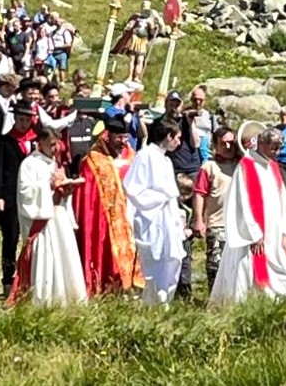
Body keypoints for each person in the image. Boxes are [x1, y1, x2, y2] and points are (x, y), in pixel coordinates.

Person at [209, 126, 286, 305]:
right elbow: (241, 202)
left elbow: (282, 201)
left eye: (279, 147)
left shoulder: (273, 167)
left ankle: (275, 304)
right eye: (274, 147)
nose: (277, 152)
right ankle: (244, 308)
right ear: (261, 143)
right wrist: (253, 233)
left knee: (282, 274)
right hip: (252, 236)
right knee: (246, 271)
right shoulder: (246, 166)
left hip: (273, 234)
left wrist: (283, 233)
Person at [7, 128, 87, 307]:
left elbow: (59, 188)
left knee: (64, 254)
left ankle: (67, 296)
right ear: (40, 142)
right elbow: (25, 192)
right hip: (42, 221)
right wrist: (48, 185)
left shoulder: (54, 163)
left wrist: (66, 191)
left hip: (58, 215)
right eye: (52, 144)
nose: (56, 148)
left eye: (57, 144)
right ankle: (45, 298)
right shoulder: (30, 164)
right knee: (46, 256)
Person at [72, 117, 143, 297]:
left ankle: (130, 287)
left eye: (126, 138)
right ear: (108, 136)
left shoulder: (131, 156)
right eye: (119, 138)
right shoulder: (94, 160)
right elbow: (87, 195)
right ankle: (106, 285)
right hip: (105, 218)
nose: (123, 143)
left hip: (130, 216)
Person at [123, 119, 187, 307]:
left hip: (168, 218)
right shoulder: (145, 156)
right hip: (153, 219)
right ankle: (155, 303)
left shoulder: (165, 159)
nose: (179, 143)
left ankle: (164, 300)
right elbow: (133, 189)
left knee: (171, 259)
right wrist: (161, 196)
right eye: (177, 138)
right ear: (168, 136)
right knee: (155, 261)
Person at [0, 102, 38, 297]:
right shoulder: (4, 141)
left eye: (27, 120)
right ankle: (7, 279)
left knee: (32, 238)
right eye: (21, 119)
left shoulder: (36, 141)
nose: (24, 123)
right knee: (11, 238)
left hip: (31, 197)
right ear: (15, 119)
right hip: (10, 197)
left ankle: (29, 279)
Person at [155, 90, 201, 298]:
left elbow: (196, 144)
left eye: (178, 103)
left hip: (191, 171)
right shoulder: (160, 123)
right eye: (172, 102)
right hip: (171, 172)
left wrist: (190, 123)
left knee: (189, 220)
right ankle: (172, 283)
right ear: (166, 103)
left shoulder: (186, 121)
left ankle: (185, 283)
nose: (175, 106)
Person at [192, 126, 239, 291]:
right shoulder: (208, 167)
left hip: (238, 225)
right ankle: (214, 299)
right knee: (216, 264)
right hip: (217, 223)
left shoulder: (242, 165)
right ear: (216, 145)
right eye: (223, 143)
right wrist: (199, 220)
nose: (228, 147)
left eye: (231, 143)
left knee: (236, 266)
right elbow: (199, 194)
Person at [188, 86, 215, 162]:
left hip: (206, 152)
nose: (198, 102)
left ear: (205, 101)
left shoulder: (209, 116)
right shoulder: (186, 114)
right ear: (191, 100)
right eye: (195, 100)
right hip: (191, 152)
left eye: (201, 100)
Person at [50, 15, 75, 85]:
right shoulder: (53, 32)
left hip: (61, 52)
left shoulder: (65, 32)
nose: (57, 23)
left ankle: (62, 82)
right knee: (54, 68)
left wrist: (59, 46)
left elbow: (68, 44)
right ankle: (56, 82)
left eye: (59, 22)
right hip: (53, 52)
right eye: (56, 22)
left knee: (62, 68)